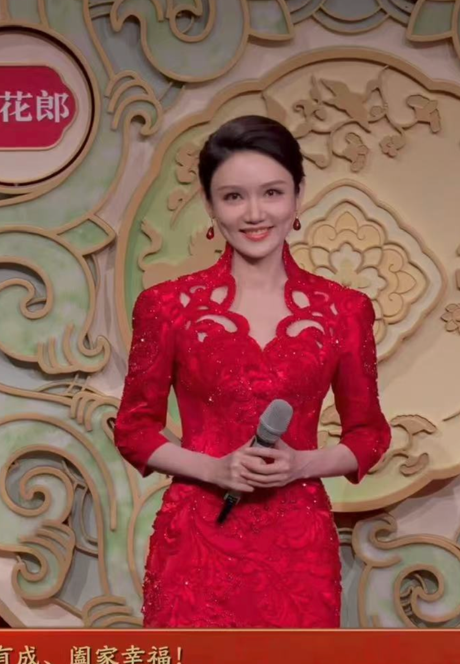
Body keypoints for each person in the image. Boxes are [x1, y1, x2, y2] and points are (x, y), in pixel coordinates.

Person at [113, 115, 391, 628]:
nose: (255, 213)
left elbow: (369, 435)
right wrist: (213, 469)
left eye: (272, 193)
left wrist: (302, 464)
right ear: (209, 203)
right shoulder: (166, 306)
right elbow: (133, 430)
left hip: (298, 545)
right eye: (234, 197)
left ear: (299, 195)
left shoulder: (344, 311)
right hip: (196, 542)